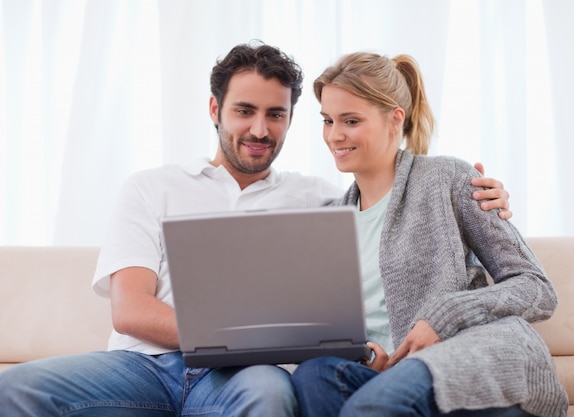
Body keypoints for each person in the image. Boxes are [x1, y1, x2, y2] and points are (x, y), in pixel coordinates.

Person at [0, 42, 512, 416]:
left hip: (245, 378)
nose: (260, 130)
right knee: (14, 389)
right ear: (214, 109)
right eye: (245, 111)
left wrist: (482, 193)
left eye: (276, 114)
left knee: (270, 398)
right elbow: (130, 309)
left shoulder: (323, 199)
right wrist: (234, 339)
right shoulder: (149, 188)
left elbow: (393, 190)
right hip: (144, 366)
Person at [290, 52, 569, 417]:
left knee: (373, 406)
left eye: (351, 120)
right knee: (314, 376)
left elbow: (537, 288)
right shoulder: (329, 221)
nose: (334, 135)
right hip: (384, 372)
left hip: (467, 359)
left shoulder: (448, 179)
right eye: (327, 120)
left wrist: (445, 314)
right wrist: (359, 349)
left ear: (395, 119)